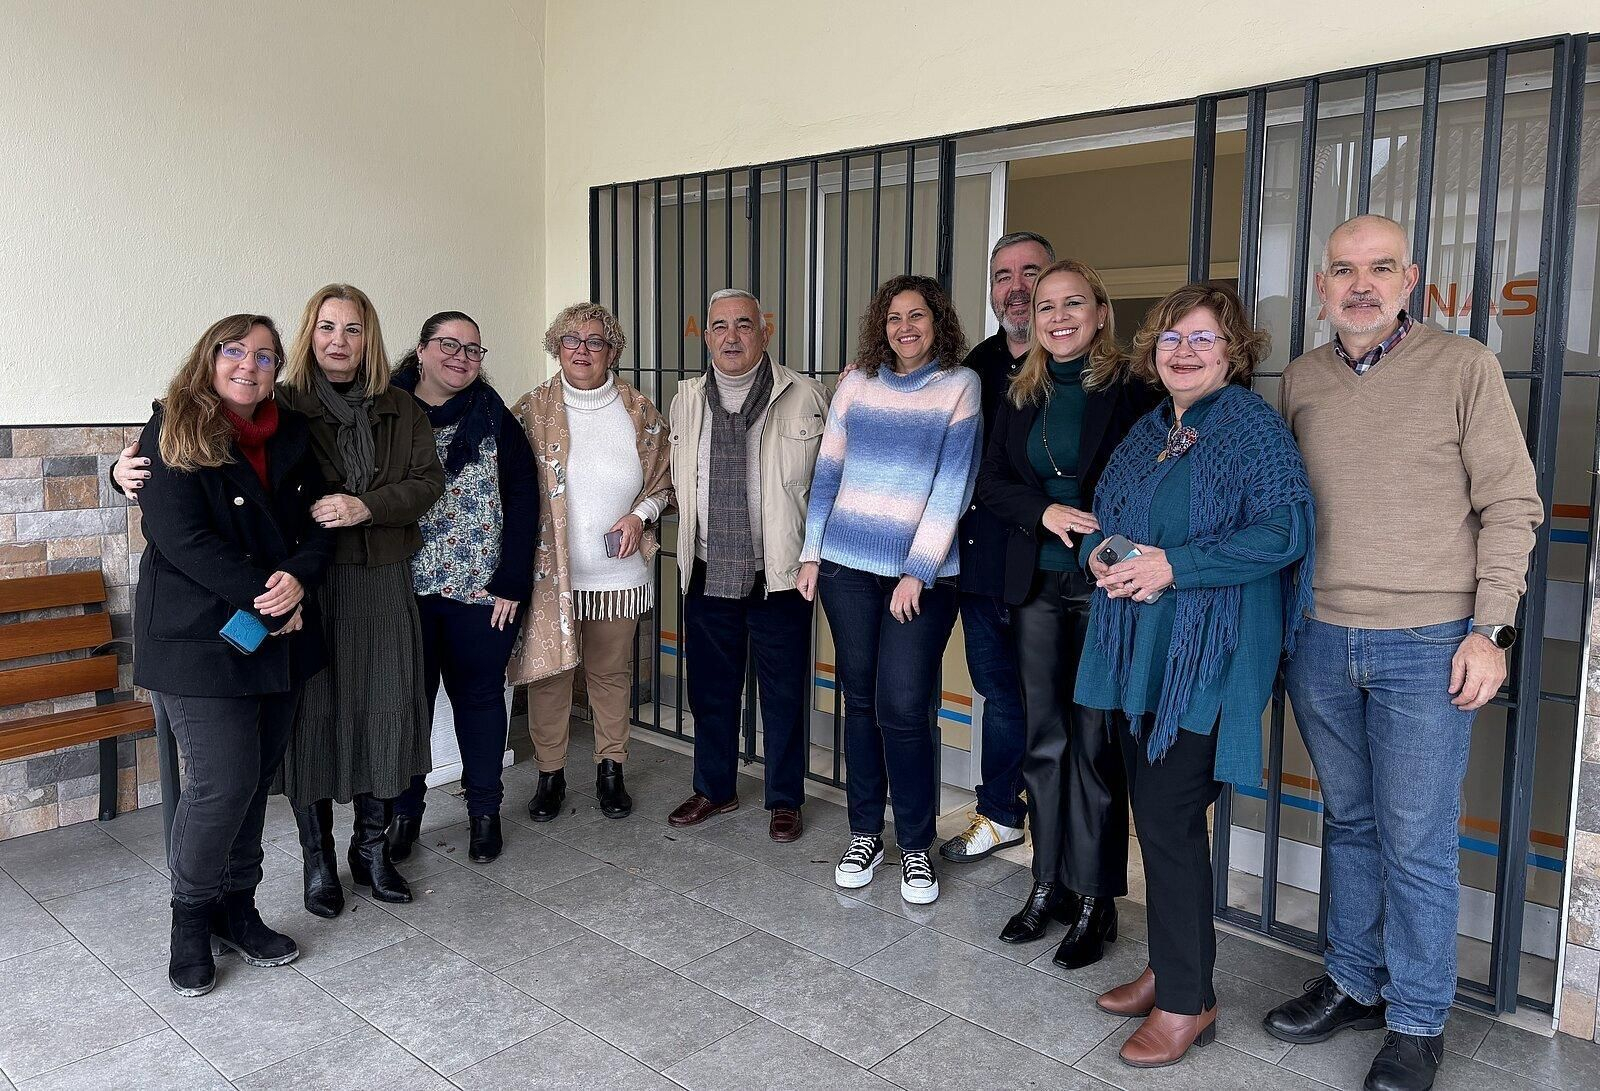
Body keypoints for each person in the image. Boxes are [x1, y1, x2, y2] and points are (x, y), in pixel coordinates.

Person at [1266, 215, 1541, 1091]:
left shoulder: (1465, 368)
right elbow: (1283, 512)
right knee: (1349, 820)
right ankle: (1353, 978)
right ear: (1321, 285)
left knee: (1417, 839)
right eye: (1343, 269)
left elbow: (1512, 506)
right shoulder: (1301, 379)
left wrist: (1490, 629)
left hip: (1430, 643)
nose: (1360, 284)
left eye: (1379, 268)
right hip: (1320, 637)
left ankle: (1419, 1019)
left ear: (1410, 277)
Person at [117, 285, 445, 918]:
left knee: (383, 710)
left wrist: (366, 508)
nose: (339, 341)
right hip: (295, 596)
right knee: (306, 728)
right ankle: (314, 861)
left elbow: (424, 483)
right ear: (308, 335)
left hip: (370, 582)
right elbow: (180, 507)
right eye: (326, 327)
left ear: (369, 338)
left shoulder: (396, 408)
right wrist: (119, 473)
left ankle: (369, 851)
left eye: (353, 330)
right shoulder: (276, 405)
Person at [1078, 282, 1315, 1069]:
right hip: (1147, 652)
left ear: (1234, 352)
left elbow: (1286, 530)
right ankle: (1171, 964)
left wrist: (1176, 565)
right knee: (1158, 816)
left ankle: (1189, 1002)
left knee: (1171, 820)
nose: (1184, 350)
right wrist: (1103, 553)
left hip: (1207, 657)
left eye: (1204, 338)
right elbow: (1114, 514)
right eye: (1173, 336)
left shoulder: (1250, 427)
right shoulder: (1153, 427)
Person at [133, 314, 333, 995]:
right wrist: (268, 594)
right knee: (221, 780)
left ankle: (236, 909)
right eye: (235, 351)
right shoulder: (171, 428)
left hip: (278, 637)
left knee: (254, 778)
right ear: (209, 357)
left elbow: (318, 521)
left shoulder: (293, 434)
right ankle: (189, 920)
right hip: (199, 639)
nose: (250, 365)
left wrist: (300, 575)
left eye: (266, 357)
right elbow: (179, 536)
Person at [976, 258, 1158, 965]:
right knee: (1043, 742)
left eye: (1072, 303)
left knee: (1093, 747)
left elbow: (1154, 483)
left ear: (1100, 311)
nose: (1056, 315)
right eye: (1046, 305)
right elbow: (992, 483)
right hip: (1036, 587)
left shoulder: (1137, 391)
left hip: (1105, 589)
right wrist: (1042, 508)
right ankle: (1046, 883)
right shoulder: (1023, 392)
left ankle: (1095, 899)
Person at [797, 273, 981, 906]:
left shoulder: (960, 386)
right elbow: (828, 471)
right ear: (882, 324)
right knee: (861, 700)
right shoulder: (856, 381)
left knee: (904, 706)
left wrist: (918, 570)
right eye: (895, 317)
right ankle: (863, 831)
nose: (905, 328)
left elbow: (951, 488)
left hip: (918, 578)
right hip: (846, 568)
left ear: (938, 323)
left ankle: (916, 847)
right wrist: (811, 553)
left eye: (918, 316)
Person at [665, 289, 829, 842]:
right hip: (710, 569)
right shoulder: (685, 399)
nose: (730, 336)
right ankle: (716, 787)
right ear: (704, 335)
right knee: (711, 689)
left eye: (742, 325)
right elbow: (674, 480)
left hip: (779, 574)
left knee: (783, 692)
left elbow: (830, 483)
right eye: (718, 327)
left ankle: (785, 797)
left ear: (766, 331)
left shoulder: (805, 394)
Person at [507, 302, 673, 821]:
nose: (583, 349)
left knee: (609, 674)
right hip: (550, 575)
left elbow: (664, 484)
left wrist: (638, 517)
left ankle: (611, 770)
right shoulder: (529, 410)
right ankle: (550, 775)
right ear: (556, 347)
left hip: (617, 575)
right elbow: (506, 489)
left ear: (612, 351)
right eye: (572, 340)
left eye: (595, 341)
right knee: (550, 675)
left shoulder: (640, 411)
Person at [386, 311, 538, 864]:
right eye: (448, 345)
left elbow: (523, 500)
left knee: (479, 701)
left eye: (473, 349)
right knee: (410, 707)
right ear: (422, 350)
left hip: (481, 592)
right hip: (402, 590)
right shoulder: (386, 412)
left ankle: (483, 813)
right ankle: (405, 814)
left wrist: (512, 581)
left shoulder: (496, 417)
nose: (460, 357)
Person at [940, 231, 1049, 866]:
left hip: (1056, 569)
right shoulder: (973, 370)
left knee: (1057, 701)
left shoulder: (1088, 369)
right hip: (982, 567)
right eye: (1004, 275)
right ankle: (1004, 813)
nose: (1018, 286)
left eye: (1031, 271)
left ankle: (1058, 825)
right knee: (1000, 693)